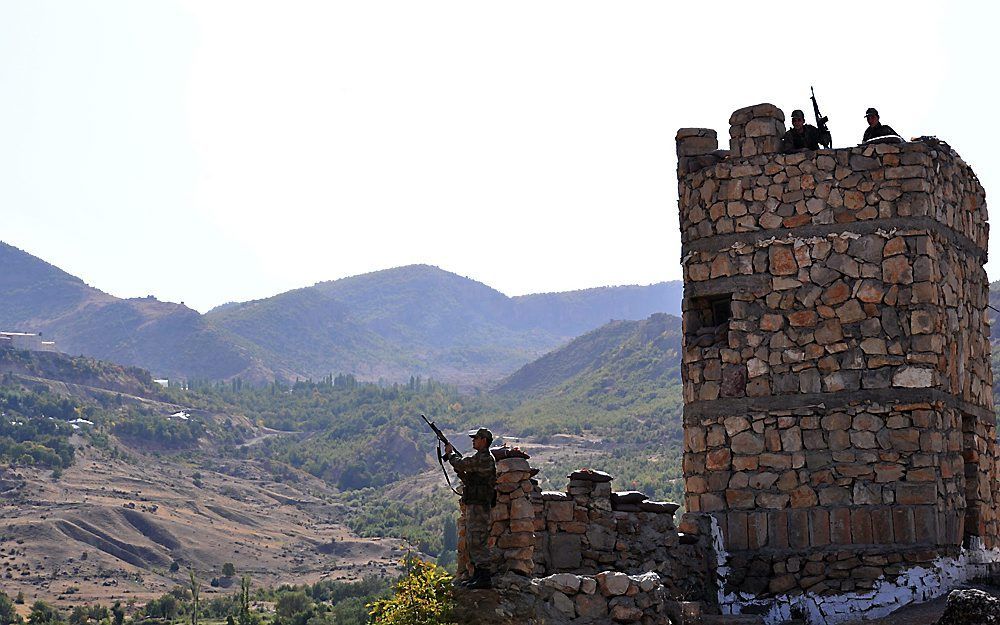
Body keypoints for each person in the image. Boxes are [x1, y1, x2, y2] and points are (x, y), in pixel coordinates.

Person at [444, 427, 497, 589]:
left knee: (478, 540)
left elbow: (462, 464)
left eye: (476, 438)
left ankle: (484, 578)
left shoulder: (485, 459)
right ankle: (478, 576)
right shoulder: (480, 458)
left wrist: (450, 454)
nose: (473, 440)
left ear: (484, 441)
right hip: (476, 503)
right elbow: (466, 472)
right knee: (473, 540)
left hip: (480, 505)